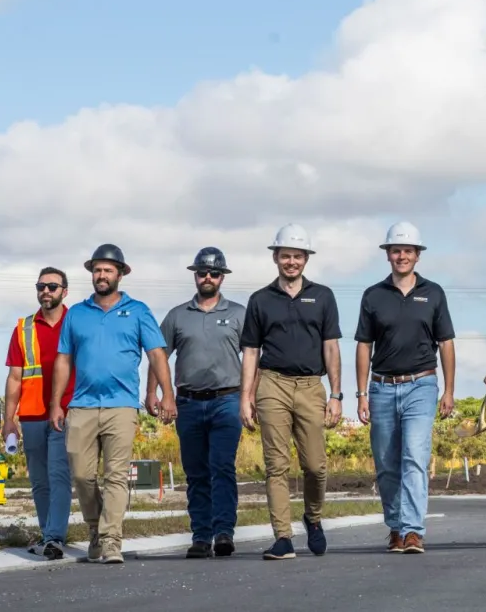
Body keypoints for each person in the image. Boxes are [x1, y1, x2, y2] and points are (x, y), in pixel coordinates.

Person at [50, 244, 173, 565]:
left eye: (107, 270)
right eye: (97, 270)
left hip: (121, 406)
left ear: (120, 273)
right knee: (81, 475)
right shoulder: (76, 313)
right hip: (81, 406)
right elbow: (63, 360)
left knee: (116, 476)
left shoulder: (138, 311)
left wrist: (167, 394)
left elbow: (157, 354)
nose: (101, 275)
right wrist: (55, 404)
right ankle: (95, 530)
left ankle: (110, 542)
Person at [240, 224, 344, 560]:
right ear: (276, 257)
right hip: (272, 385)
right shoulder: (260, 300)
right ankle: (282, 537)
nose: (291, 262)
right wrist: (246, 397)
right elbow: (251, 353)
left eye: (297, 256)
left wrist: (336, 394)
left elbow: (331, 347)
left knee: (315, 466)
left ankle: (313, 519)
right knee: (276, 465)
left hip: (312, 385)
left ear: (306, 259)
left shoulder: (323, 296)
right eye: (286, 255)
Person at [356, 222, 456, 554]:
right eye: (396, 250)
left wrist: (449, 390)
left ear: (417, 255)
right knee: (386, 463)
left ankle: (413, 530)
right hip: (382, 387)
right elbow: (362, 346)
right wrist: (361, 394)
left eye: (408, 251)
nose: (402, 256)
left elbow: (446, 344)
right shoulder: (373, 295)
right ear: (388, 254)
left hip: (421, 386)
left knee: (415, 456)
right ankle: (396, 527)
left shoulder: (434, 292)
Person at [152, 247, 246, 559]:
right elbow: (158, 356)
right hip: (188, 404)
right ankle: (201, 536)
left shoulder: (238, 314)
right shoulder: (178, 315)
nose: (208, 277)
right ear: (195, 275)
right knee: (195, 472)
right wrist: (155, 393)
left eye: (214, 273)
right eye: (203, 272)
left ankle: (223, 533)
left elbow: (254, 357)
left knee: (222, 467)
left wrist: (250, 396)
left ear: (222, 277)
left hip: (227, 401)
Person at [0, 267, 76, 561]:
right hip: (31, 415)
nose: (46, 291)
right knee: (40, 481)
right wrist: (9, 419)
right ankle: (49, 536)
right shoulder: (23, 328)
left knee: (59, 475)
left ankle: (55, 537)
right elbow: (15, 378)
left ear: (64, 291)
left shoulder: (77, 322)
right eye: (41, 286)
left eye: (52, 286)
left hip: (66, 413)